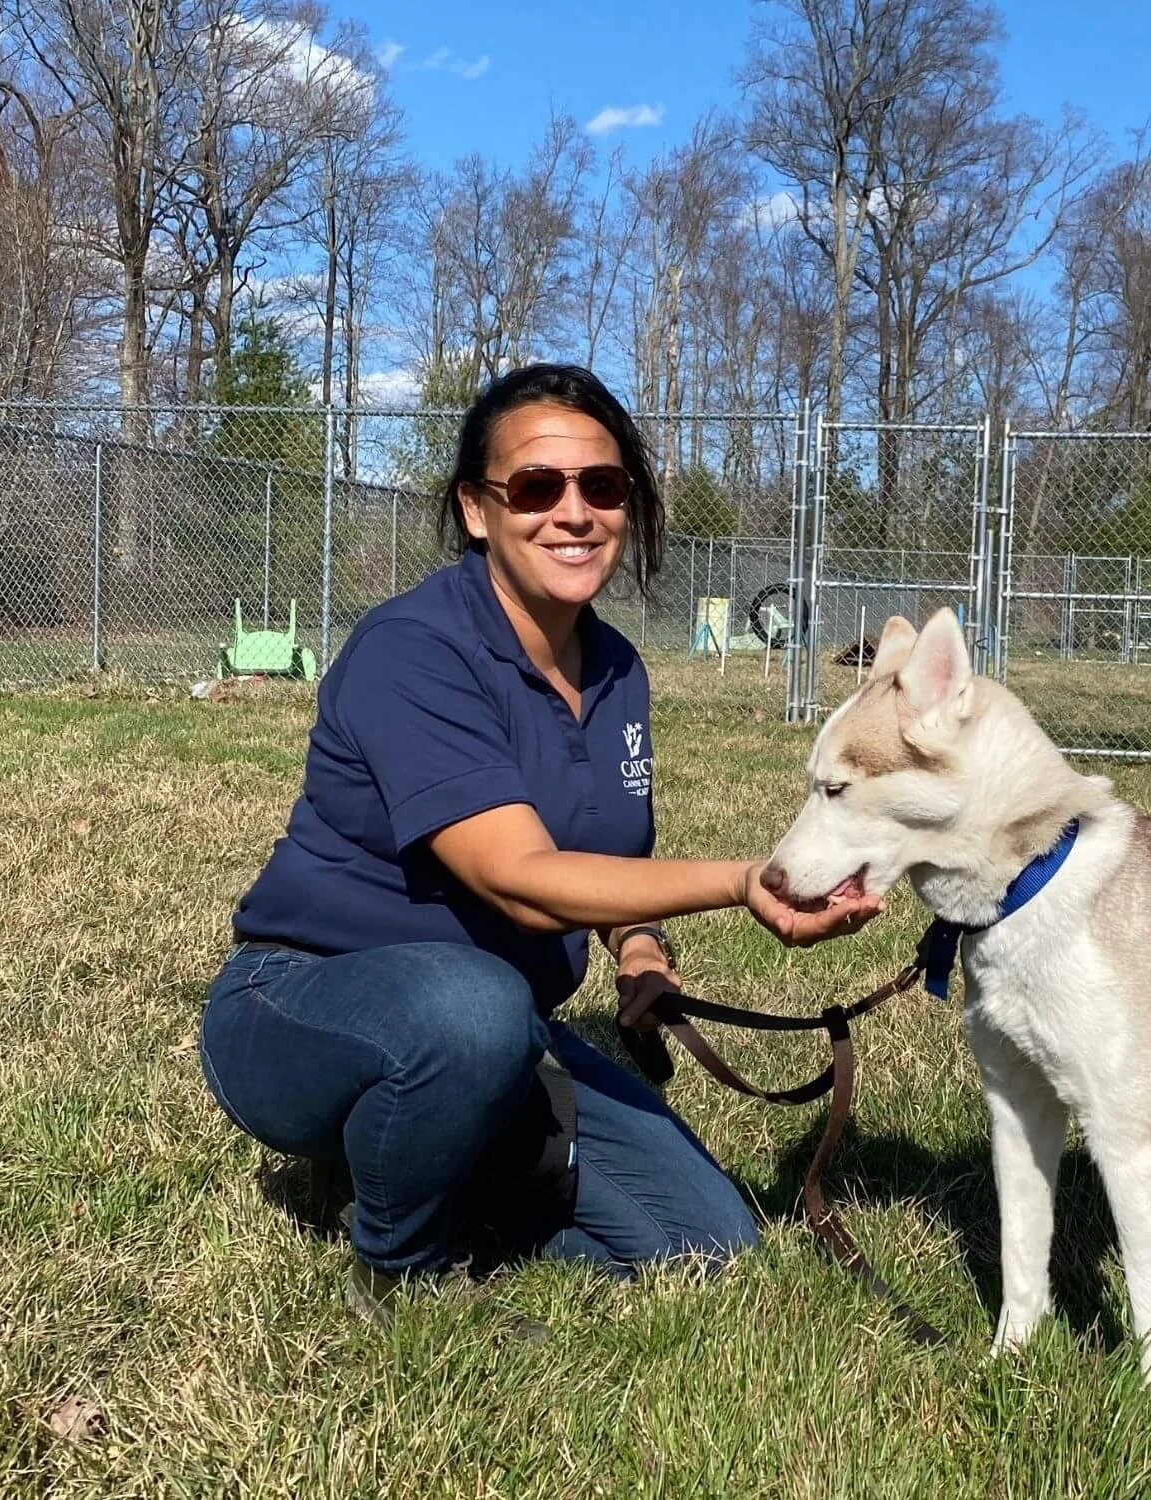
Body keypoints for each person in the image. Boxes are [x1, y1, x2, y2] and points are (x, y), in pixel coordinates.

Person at [198, 363, 879, 1322]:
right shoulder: (413, 650)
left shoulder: (616, 670)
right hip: (303, 1003)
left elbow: (610, 855)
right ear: (480, 510)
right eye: (535, 487)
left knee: (705, 1245)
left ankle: (442, 1171)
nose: (574, 513)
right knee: (470, 1006)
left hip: (497, 1030)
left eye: (603, 486)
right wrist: (743, 881)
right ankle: (401, 1268)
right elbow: (521, 882)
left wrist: (640, 955)